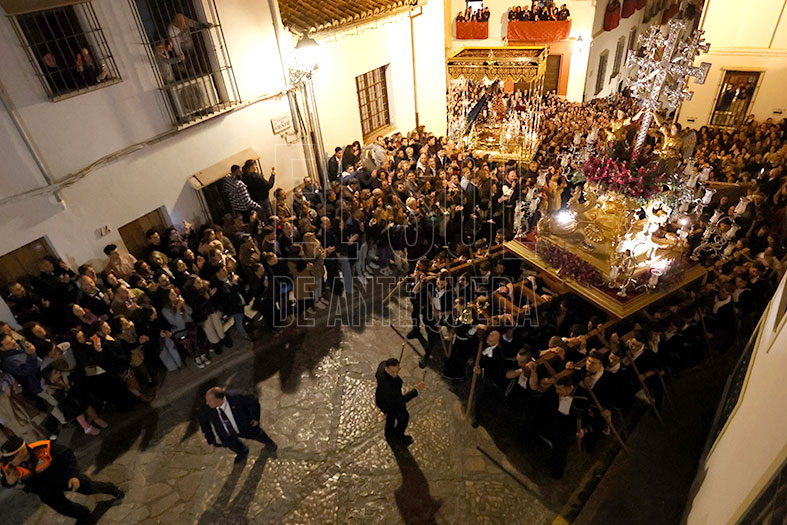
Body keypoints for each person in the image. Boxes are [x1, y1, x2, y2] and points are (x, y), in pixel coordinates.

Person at [0, 436, 124, 524]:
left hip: (63, 477)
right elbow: (6, 482)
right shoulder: (8, 466)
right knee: (64, 508)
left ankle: (113, 489)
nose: (9, 462)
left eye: (11, 458)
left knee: (87, 488)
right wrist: (9, 482)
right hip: (45, 491)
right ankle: (84, 515)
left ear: (22, 451)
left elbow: (67, 455)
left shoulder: (44, 447)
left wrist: (74, 475)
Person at [197, 386, 277, 464]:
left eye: (210, 401)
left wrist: (255, 418)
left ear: (219, 399)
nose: (207, 403)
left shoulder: (237, 397)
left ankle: (270, 444)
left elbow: (253, 401)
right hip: (226, 434)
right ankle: (243, 451)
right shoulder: (206, 409)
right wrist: (211, 438)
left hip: (244, 426)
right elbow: (204, 423)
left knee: (257, 435)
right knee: (232, 445)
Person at [374, 358, 426, 445]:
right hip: (392, 403)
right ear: (387, 368)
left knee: (390, 417)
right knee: (404, 418)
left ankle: (388, 432)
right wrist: (416, 390)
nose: (395, 374)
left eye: (397, 371)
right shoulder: (388, 385)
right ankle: (399, 435)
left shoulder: (382, 366)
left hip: (381, 400)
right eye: (392, 372)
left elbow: (378, 372)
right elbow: (401, 400)